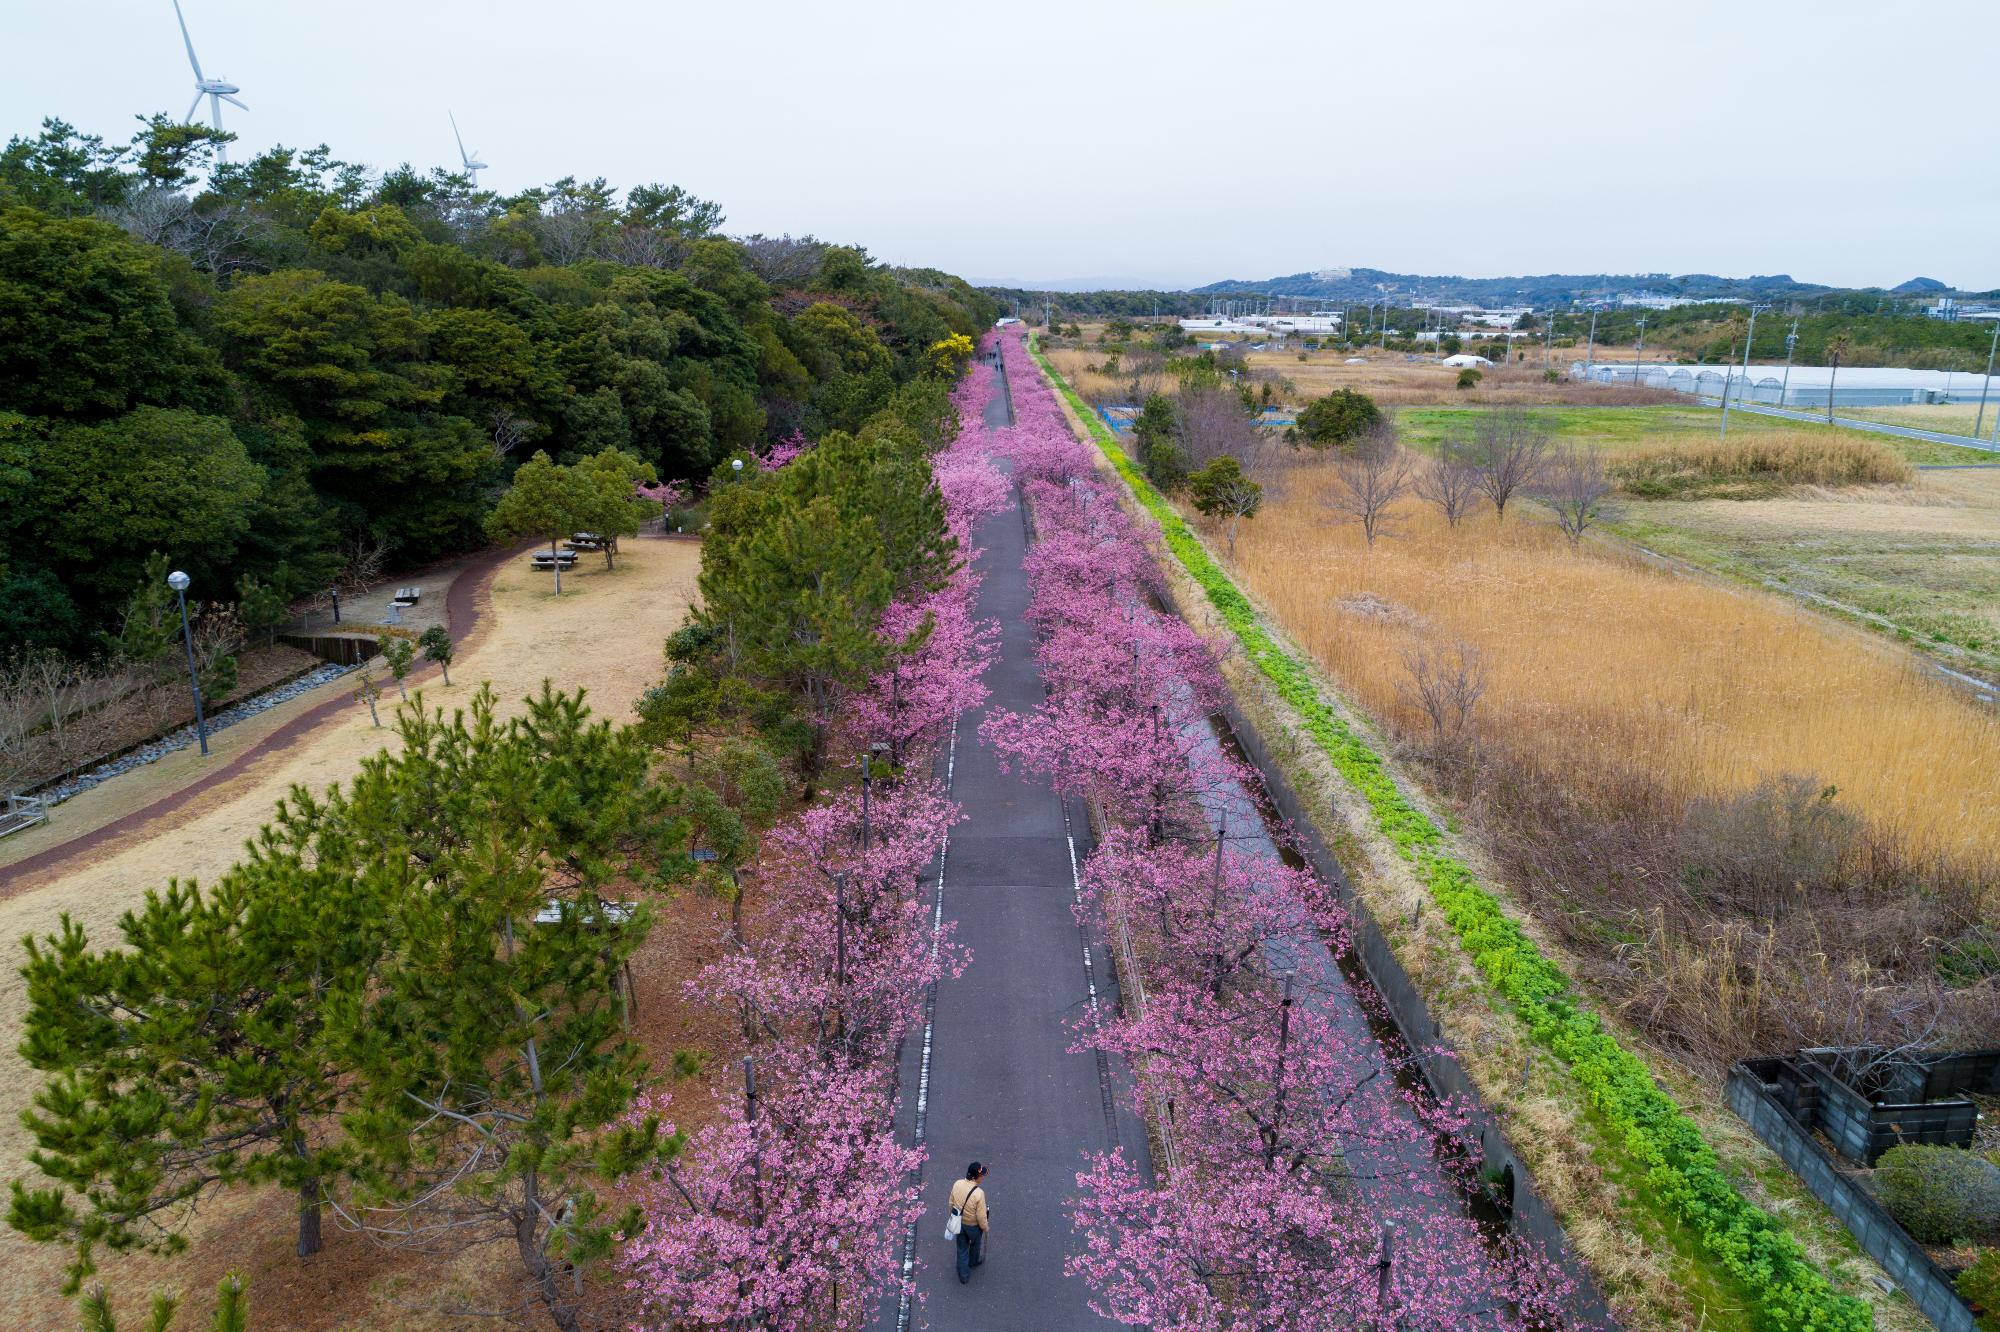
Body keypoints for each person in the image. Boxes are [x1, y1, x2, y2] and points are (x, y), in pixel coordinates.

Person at [948, 1161, 990, 1284]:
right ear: (975, 1177)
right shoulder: (979, 1193)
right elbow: (981, 1216)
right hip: (973, 1226)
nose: (982, 1177)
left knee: (962, 1248)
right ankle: (973, 1261)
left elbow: (951, 1202)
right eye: (981, 1175)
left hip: (960, 1223)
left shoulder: (957, 1184)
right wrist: (985, 1227)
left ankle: (964, 1275)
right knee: (976, 1244)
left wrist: (952, 1216)